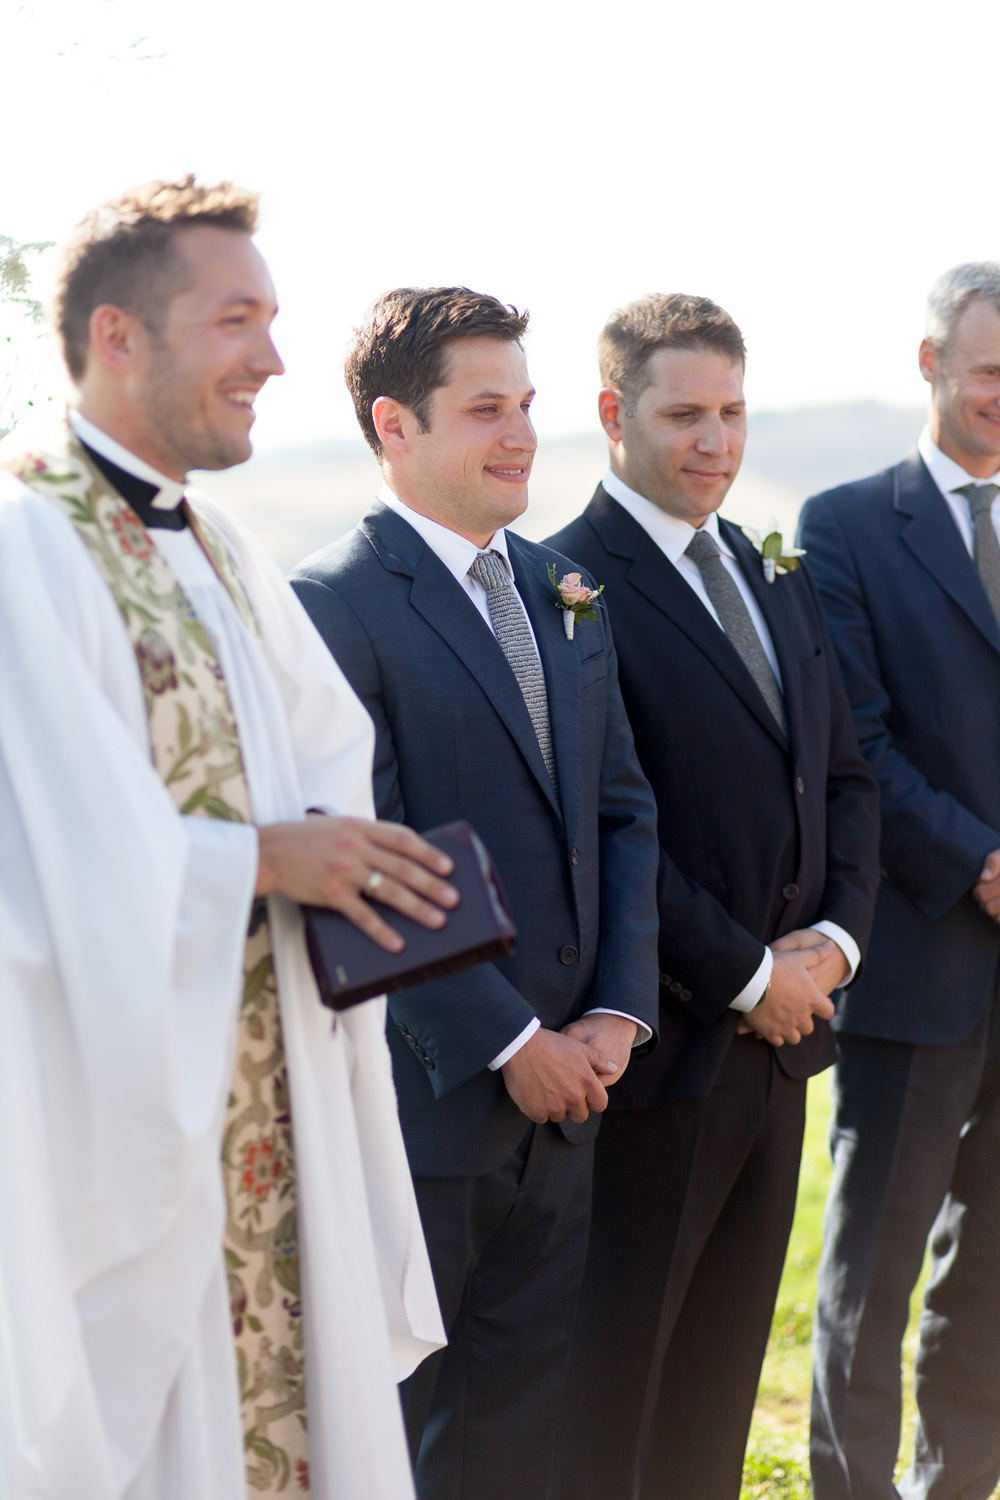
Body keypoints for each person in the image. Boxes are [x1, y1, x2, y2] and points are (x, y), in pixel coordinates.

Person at [0, 177, 452, 1500]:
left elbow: (321, 745)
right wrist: (258, 862)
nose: (272, 358)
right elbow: (40, 848)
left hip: (274, 1078)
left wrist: (349, 849)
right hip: (125, 1113)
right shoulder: (29, 546)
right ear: (118, 337)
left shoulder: (224, 546)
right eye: (235, 321)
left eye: (272, 320)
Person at [289, 285, 660, 1500]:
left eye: (527, 405)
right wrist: (510, 1040)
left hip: (574, 1091)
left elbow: (620, 811)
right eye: (485, 408)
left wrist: (615, 1014)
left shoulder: (565, 592)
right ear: (394, 424)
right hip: (431, 1098)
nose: (519, 435)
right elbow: (365, 856)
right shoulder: (332, 606)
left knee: (520, 1424)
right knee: (400, 1428)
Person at [546, 292, 881, 1500]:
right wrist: (749, 977)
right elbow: (603, 827)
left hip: (781, 1045)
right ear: (610, 414)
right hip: (660, 1052)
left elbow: (844, 776)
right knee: (615, 1400)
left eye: (732, 412)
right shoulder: (565, 587)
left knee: (719, 1397)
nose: (714, 442)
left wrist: (834, 947)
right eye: (684, 413)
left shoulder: (766, 565)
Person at [800, 263, 1000, 1500]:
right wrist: (976, 862)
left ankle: (956, 1483)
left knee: (991, 1268)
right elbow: (856, 739)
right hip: (919, 954)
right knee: (868, 1272)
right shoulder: (846, 524)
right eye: (985, 371)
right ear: (929, 365)